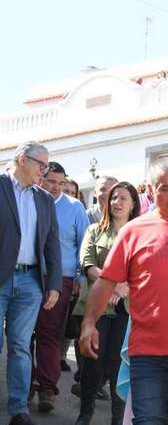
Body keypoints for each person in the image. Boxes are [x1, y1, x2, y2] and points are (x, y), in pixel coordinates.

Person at [80, 158, 168, 424]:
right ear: (151, 190)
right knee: (148, 420)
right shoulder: (133, 231)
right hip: (148, 351)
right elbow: (106, 281)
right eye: (165, 188)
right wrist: (89, 323)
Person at [0, 141, 62, 425]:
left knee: (21, 346)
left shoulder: (44, 200)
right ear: (23, 159)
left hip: (30, 282)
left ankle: (18, 410)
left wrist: (54, 284)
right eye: (41, 165)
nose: (44, 171)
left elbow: (52, 244)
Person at [73, 181, 139, 424]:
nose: (117, 202)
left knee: (118, 364)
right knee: (92, 363)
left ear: (133, 204)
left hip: (126, 309)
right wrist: (113, 285)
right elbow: (87, 264)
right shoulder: (94, 230)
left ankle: (117, 419)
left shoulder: (139, 233)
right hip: (97, 306)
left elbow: (143, 269)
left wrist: (125, 288)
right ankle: (85, 415)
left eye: (123, 198)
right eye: (114, 197)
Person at [32, 161, 90, 413]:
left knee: (49, 333)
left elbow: (84, 245)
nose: (56, 187)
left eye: (61, 183)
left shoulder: (75, 207)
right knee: (23, 335)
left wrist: (80, 277)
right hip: (29, 275)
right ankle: (25, 384)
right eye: (51, 182)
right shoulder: (30, 201)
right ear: (41, 179)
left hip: (62, 279)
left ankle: (46, 387)